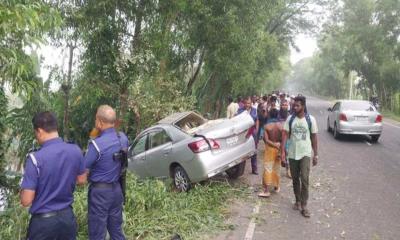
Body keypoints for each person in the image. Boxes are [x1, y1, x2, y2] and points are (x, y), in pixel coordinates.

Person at [20, 111, 86, 240]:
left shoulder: (35, 159)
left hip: (43, 225)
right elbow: (82, 180)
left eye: (35, 133)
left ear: (39, 131)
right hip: (67, 219)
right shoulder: (75, 150)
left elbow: (26, 200)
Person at [84, 105, 129, 240]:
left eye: (96, 119)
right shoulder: (123, 138)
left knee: (97, 233)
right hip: (117, 190)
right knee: (116, 231)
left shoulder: (96, 145)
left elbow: (83, 170)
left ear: (99, 121)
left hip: (100, 194)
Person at [281, 96, 318, 218]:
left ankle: (304, 205)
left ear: (303, 106)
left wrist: (315, 154)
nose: (295, 107)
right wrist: (282, 152)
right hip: (292, 153)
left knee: (305, 179)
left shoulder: (310, 120)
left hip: (305, 153)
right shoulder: (290, 119)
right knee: (295, 179)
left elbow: (314, 137)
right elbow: (285, 135)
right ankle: (297, 200)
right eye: (294, 105)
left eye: (297, 105)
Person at [258, 108, 282, 198]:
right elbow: (284, 139)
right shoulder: (281, 126)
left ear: (270, 115)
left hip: (270, 149)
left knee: (268, 168)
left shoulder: (267, 126)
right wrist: (279, 147)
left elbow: (266, 140)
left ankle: (266, 190)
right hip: (279, 149)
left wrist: (274, 145)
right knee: (277, 168)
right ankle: (276, 187)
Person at [237, 97, 259, 174]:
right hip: (243, 133)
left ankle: (254, 168)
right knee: (241, 150)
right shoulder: (240, 111)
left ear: (251, 103)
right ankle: (239, 170)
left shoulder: (254, 110)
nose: (247, 105)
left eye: (249, 103)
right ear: (244, 103)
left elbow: (257, 120)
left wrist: (256, 129)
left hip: (252, 132)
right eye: (246, 103)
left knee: (254, 149)